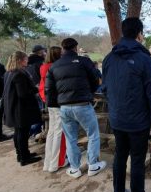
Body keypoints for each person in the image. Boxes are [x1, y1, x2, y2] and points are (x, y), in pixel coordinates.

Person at [102, 17, 151, 192]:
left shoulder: (109, 58)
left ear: (123, 32)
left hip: (117, 120)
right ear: (140, 34)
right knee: (137, 161)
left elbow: (105, 89)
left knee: (120, 157)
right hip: (137, 123)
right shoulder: (145, 60)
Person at [45, 38, 106, 179]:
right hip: (83, 105)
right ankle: (92, 165)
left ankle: (74, 168)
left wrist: (57, 104)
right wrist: (89, 93)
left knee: (70, 138)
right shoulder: (84, 61)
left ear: (63, 48)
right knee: (93, 134)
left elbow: (50, 90)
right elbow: (95, 80)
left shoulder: (54, 66)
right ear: (75, 47)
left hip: (64, 107)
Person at [3, 51, 43, 166]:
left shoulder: (9, 73)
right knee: (22, 134)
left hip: (13, 107)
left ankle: (21, 154)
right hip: (20, 109)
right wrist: (36, 89)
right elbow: (23, 94)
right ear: (20, 60)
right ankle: (24, 158)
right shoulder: (19, 74)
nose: (27, 61)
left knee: (18, 133)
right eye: (25, 59)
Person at [40, 46, 68, 172]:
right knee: (58, 132)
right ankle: (55, 163)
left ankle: (48, 162)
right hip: (57, 101)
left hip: (49, 101)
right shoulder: (55, 67)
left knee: (51, 132)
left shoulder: (44, 67)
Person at [26, 44, 47, 137]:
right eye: (43, 51)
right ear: (40, 52)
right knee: (42, 112)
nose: (45, 53)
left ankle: (35, 131)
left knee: (36, 112)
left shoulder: (27, 63)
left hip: (32, 90)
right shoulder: (40, 63)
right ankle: (33, 131)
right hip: (40, 90)